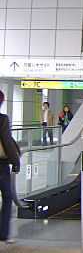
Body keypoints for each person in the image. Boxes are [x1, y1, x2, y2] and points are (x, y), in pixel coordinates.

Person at [0, 90, 20, 244]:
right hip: (0, 165)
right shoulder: (2, 119)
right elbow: (6, 142)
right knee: (7, 197)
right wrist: (16, 162)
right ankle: (3, 234)